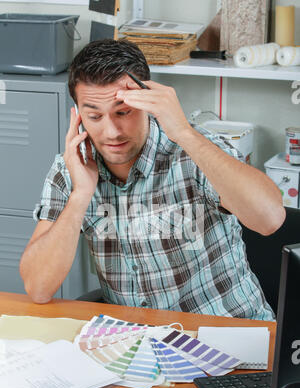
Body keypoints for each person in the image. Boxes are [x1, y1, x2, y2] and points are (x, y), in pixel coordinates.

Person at [19, 39, 285, 320]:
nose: (111, 132)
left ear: (149, 101)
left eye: (124, 112)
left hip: (229, 336)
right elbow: (38, 288)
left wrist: (182, 131)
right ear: (78, 115)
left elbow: (270, 219)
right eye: (94, 116)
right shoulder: (72, 166)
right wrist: (80, 195)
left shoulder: (193, 150)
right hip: (142, 347)